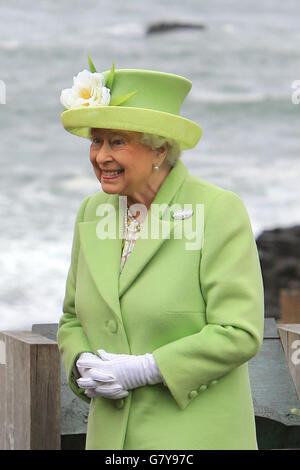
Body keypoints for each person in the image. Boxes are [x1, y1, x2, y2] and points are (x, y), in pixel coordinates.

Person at [57, 59, 264, 450]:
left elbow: (239, 332)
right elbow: (71, 317)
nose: (101, 156)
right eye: (95, 141)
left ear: (160, 150)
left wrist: (147, 369)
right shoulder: (92, 212)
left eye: (117, 141)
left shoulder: (218, 210)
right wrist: (82, 359)